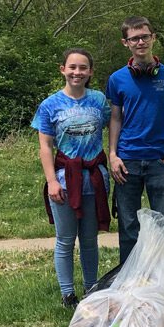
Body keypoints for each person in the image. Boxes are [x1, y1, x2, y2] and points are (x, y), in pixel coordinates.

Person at [32, 48, 112, 307]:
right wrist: (52, 181)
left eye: (83, 68)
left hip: (94, 178)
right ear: (63, 69)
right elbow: (45, 145)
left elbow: (114, 127)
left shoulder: (99, 101)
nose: (77, 72)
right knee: (65, 239)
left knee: (89, 240)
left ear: (90, 72)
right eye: (73, 67)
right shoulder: (50, 105)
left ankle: (91, 289)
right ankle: (68, 293)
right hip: (65, 179)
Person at [106, 16, 164, 265]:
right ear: (125, 43)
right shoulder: (117, 79)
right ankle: (129, 280)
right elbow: (116, 118)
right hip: (127, 160)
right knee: (129, 225)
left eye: (144, 36)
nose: (140, 42)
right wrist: (112, 154)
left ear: (153, 38)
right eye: (134, 38)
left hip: (160, 159)